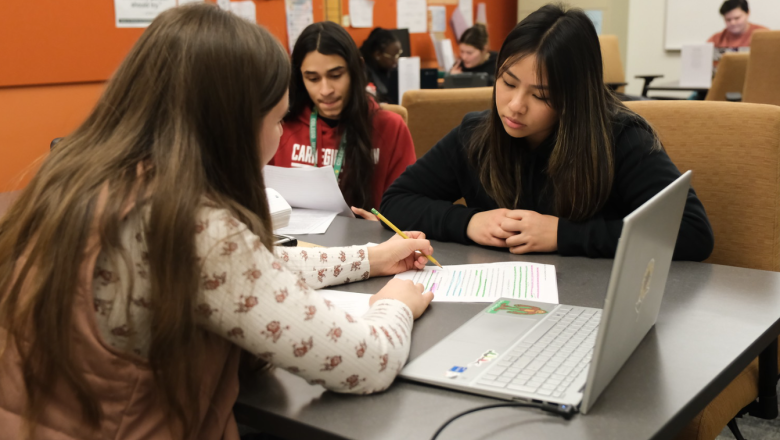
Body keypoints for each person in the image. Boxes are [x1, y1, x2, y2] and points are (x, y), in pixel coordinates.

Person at [0, 4, 434, 439]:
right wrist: (395, 304)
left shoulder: (78, 178)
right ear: (232, 125)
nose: (283, 132)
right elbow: (367, 362)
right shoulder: (193, 227)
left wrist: (370, 258)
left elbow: (249, 270)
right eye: (278, 118)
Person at [380, 4, 714, 261]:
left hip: (592, 306)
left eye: (540, 96)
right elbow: (396, 201)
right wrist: (469, 222)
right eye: (508, 83)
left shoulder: (622, 139)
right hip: (499, 308)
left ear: (574, 99)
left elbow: (692, 233)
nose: (514, 105)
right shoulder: (476, 133)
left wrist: (562, 234)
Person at [271, 22, 416, 219]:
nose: (325, 90)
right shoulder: (280, 126)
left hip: (370, 244)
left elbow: (408, 209)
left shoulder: (390, 127)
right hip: (298, 243)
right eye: (312, 78)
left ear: (356, 70)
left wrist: (384, 225)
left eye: (336, 75)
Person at [359, 28, 403, 104]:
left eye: (398, 54)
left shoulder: (387, 69)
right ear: (378, 54)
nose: (396, 60)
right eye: (393, 56)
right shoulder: (363, 72)